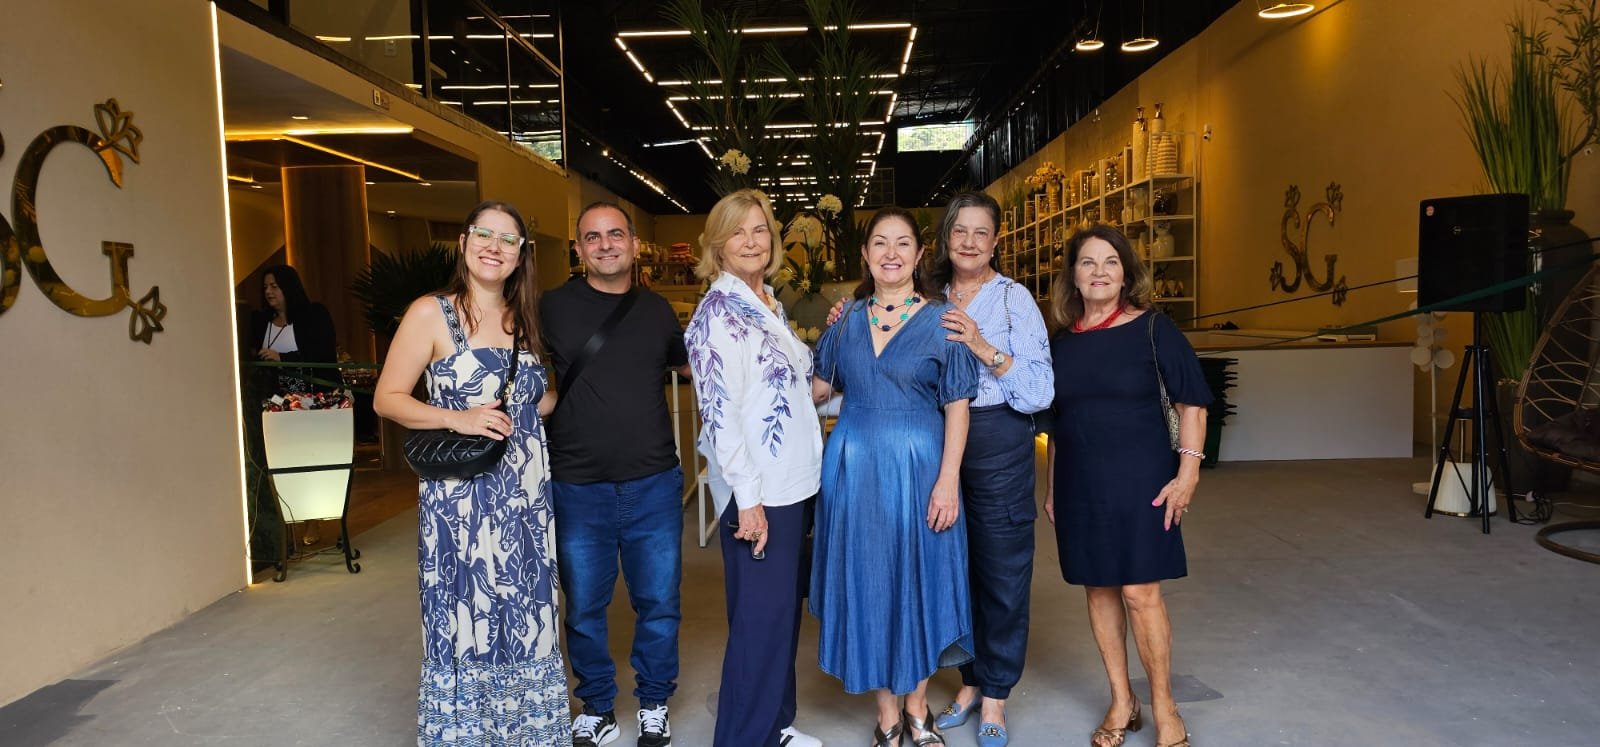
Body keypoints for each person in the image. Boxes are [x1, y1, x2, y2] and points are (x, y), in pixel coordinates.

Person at [372, 201, 568, 745]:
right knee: (468, 611)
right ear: (463, 242)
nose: (494, 247)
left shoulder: (524, 320)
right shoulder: (431, 313)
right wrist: (456, 417)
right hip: (462, 502)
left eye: (508, 240)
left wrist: (574, 397)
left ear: (521, 255)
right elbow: (387, 398)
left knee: (526, 612)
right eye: (484, 234)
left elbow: (533, 401)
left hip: (526, 499)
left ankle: (526, 730)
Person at [810, 206, 979, 747]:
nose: (891, 253)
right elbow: (816, 390)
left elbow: (957, 407)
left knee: (920, 582)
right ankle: (886, 714)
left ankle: (916, 707)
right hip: (854, 473)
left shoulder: (943, 321)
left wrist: (948, 480)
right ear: (864, 254)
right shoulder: (845, 321)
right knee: (869, 583)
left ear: (920, 254)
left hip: (921, 470)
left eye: (902, 243)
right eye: (879, 243)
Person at [1045, 225, 1209, 747]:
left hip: (1143, 481)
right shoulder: (1061, 343)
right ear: (1073, 275)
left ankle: (1164, 705)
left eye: (1110, 262)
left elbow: (1193, 404)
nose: (1099, 272)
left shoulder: (1155, 330)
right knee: (1098, 589)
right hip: (1080, 482)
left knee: (1140, 592)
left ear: (1126, 273)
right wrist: (1052, 488)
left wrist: (1188, 474)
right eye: (1088, 262)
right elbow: (1059, 422)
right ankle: (1122, 700)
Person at [541, 202, 690, 747]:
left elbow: (695, 367)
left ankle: (654, 702)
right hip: (578, 484)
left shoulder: (658, 310)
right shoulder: (550, 307)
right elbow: (517, 366)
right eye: (592, 237)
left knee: (659, 603)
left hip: (653, 481)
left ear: (633, 243)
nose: (605, 245)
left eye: (614, 235)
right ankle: (598, 706)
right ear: (579, 249)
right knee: (583, 606)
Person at [684, 189, 825, 747]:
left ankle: (776, 725)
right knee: (759, 623)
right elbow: (720, 417)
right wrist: (748, 501)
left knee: (780, 617)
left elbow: (787, 393)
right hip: (760, 493)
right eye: (737, 232)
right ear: (716, 246)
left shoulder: (767, 303)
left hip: (792, 483)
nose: (751, 241)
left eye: (760, 229)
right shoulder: (717, 314)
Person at [923, 193, 1054, 747]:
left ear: (996, 242)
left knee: (1001, 571)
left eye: (981, 232)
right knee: (954, 569)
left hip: (998, 440)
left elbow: (1040, 391)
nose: (970, 241)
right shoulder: (926, 297)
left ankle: (995, 691)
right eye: (961, 230)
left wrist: (981, 344)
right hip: (935, 442)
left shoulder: (1013, 300)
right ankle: (970, 682)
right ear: (946, 238)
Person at [248, 264, 336, 392]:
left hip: (315, 396)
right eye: (265, 287)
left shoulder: (314, 314)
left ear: (288, 287)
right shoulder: (261, 321)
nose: (268, 292)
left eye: (274, 286)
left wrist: (282, 358)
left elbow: (322, 353)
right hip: (275, 399)